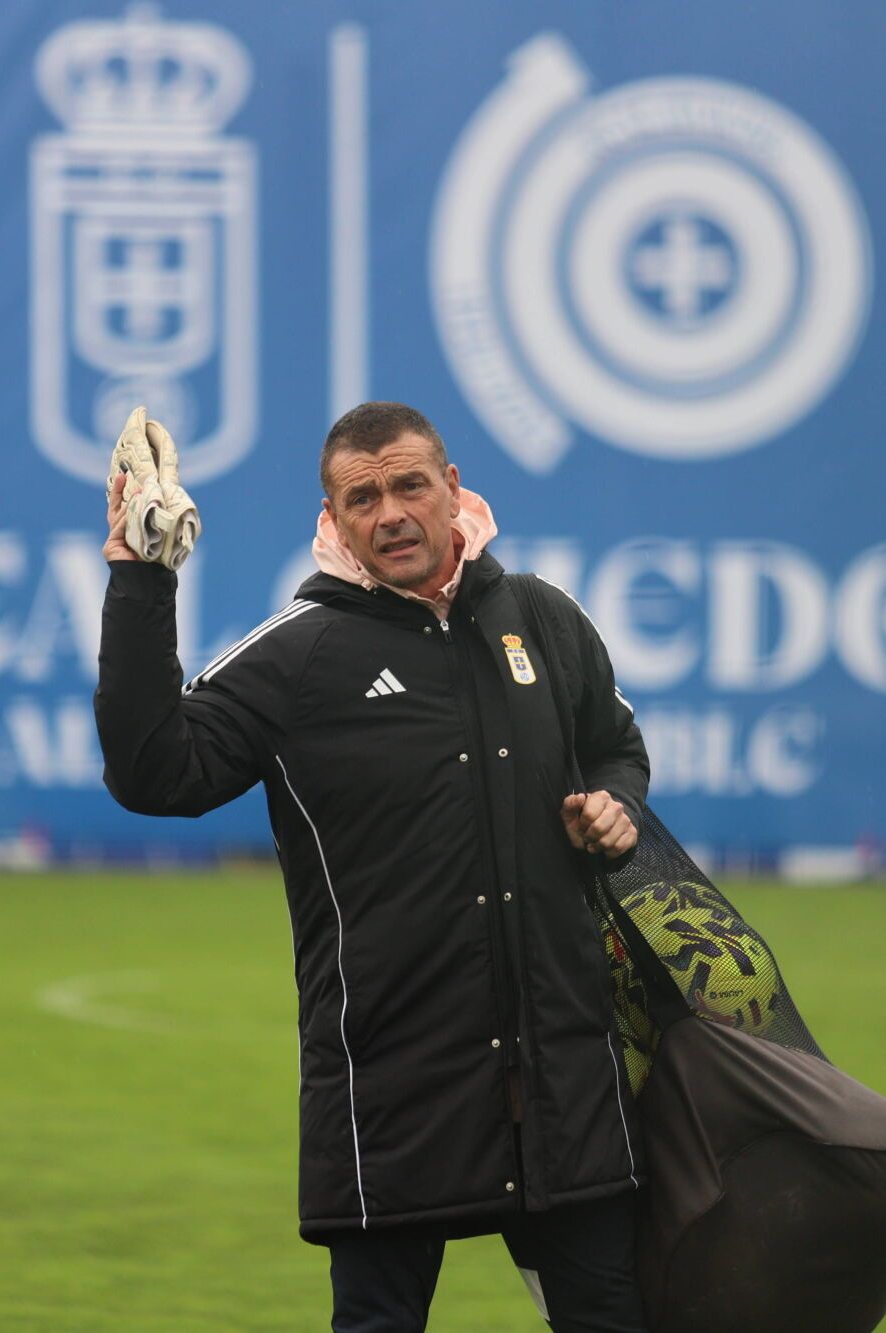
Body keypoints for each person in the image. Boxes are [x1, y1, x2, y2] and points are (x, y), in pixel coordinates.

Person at [96, 401, 651, 1332]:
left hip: (563, 1074)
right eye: (363, 498)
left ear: (453, 490)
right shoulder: (300, 655)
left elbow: (615, 746)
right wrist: (139, 580)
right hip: (395, 1081)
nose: (390, 512)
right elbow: (154, 772)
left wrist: (615, 803)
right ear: (333, 518)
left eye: (408, 485)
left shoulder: (543, 621)